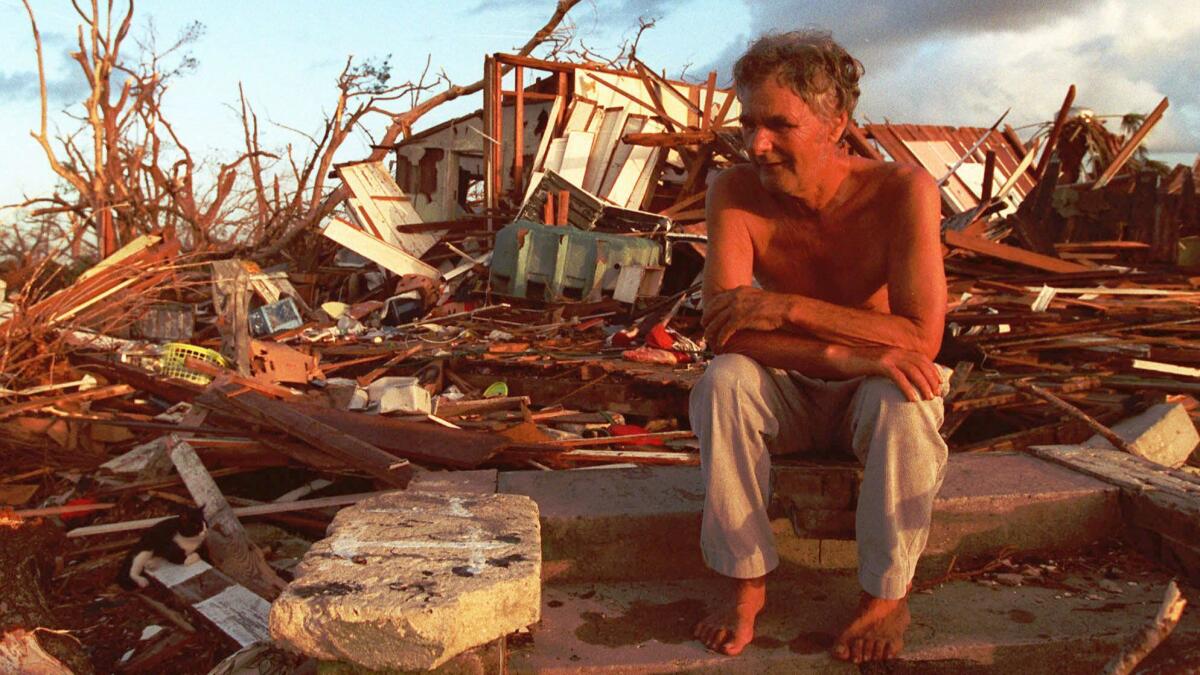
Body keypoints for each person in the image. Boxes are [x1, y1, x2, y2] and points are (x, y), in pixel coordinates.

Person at [689, 30, 949, 664]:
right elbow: (726, 331)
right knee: (722, 382)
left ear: (837, 124)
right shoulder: (734, 190)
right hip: (799, 386)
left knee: (907, 397)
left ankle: (887, 596)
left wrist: (787, 306)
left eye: (780, 125)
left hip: (872, 390)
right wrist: (844, 355)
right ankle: (745, 581)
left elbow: (920, 337)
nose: (757, 145)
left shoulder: (903, 191)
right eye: (748, 123)